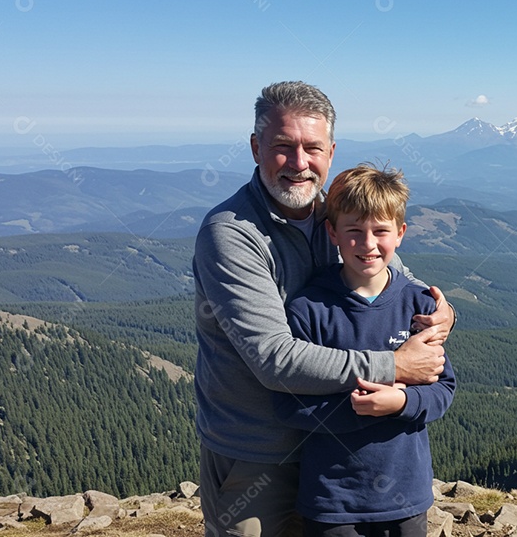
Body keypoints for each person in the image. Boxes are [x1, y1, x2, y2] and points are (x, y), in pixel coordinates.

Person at [193, 81, 455, 537]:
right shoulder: (231, 233)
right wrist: (395, 365)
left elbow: (397, 278)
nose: (299, 163)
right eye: (282, 146)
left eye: (312, 148)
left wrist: (440, 310)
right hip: (259, 453)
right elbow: (275, 359)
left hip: (339, 459)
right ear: (256, 148)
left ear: (330, 153)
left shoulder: (336, 216)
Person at [276, 164, 455, 537]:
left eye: (381, 231)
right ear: (333, 233)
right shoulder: (310, 309)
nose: (368, 244)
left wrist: (402, 403)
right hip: (333, 500)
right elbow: (289, 402)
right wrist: (363, 408)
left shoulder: (419, 306)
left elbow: (443, 387)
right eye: (354, 232)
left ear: (400, 233)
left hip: (406, 496)